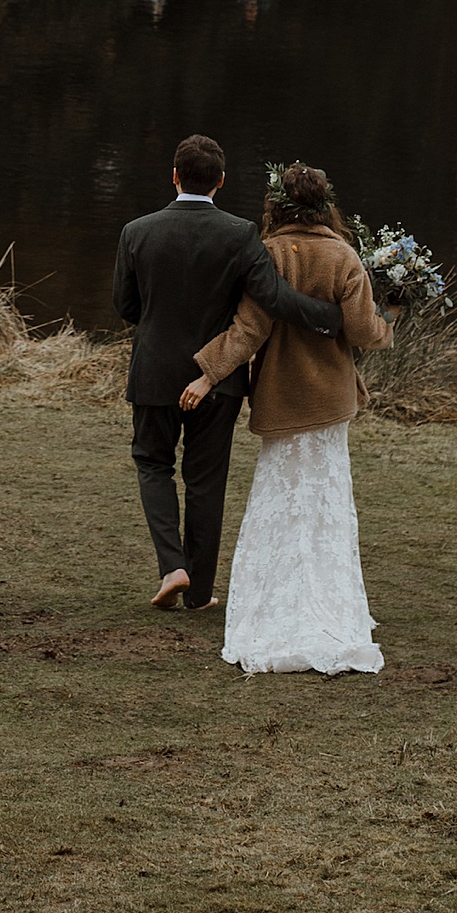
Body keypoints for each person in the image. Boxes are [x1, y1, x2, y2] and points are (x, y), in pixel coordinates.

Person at [112, 135, 345, 613]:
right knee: (206, 480)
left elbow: (126, 306)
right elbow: (275, 300)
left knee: (153, 465)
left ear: (175, 176)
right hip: (219, 381)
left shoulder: (137, 231)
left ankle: (171, 565)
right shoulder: (240, 234)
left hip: (154, 373)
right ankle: (198, 593)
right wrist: (332, 318)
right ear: (221, 181)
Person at [182, 160, 392, 675]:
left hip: (281, 399)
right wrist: (390, 324)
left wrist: (207, 374)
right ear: (325, 206)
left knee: (280, 497)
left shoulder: (269, 253)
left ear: (276, 205)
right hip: (331, 402)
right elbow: (365, 333)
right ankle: (328, 600)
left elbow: (248, 329)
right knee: (325, 500)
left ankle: (274, 602)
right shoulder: (344, 256)